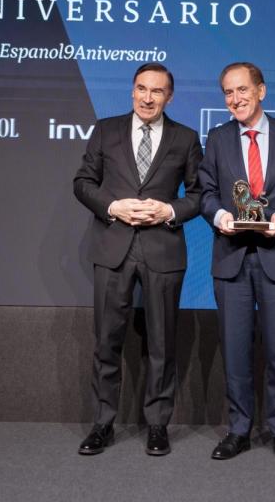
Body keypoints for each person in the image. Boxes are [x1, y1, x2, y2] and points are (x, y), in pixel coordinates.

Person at [73, 63, 203, 456]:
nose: (148, 98)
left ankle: (158, 424)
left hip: (163, 250)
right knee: (107, 341)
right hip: (113, 248)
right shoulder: (106, 130)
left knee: (162, 343)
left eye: (157, 91)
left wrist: (169, 211)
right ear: (132, 91)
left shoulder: (186, 138)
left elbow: (199, 194)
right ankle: (102, 423)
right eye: (141, 89)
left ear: (169, 97)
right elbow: (82, 182)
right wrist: (112, 205)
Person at [198, 62, 275, 464]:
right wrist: (220, 217)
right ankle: (238, 430)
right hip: (231, 258)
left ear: (261, 91)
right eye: (228, 93)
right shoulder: (216, 139)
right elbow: (205, 191)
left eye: (242, 90)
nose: (235, 99)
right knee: (235, 351)